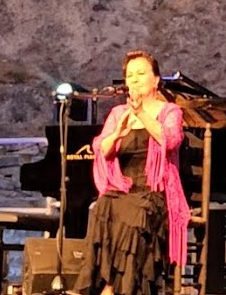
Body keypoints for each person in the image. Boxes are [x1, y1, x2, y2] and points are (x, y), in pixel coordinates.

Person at [75, 50, 190, 295]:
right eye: (130, 75)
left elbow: (169, 141)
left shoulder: (170, 112)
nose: (134, 79)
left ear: (156, 80)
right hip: (123, 189)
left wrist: (141, 114)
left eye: (141, 73)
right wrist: (118, 133)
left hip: (153, 192)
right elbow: (102, 149)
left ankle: (114, 290)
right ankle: (106, 286)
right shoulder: (118, 113)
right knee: (102, 206)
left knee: (135, 214)